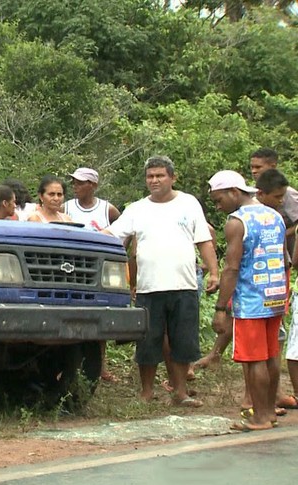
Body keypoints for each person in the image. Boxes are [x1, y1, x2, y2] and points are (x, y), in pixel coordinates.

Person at [104, 156, 218, 406]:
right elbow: (111, 234)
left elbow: (204, 241)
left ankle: (180, 393)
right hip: (149, 287)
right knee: (148, 342)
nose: (154, 180)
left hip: (184, 286)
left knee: (183, 341)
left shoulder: (189, 203)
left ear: (172, 178)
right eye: (150, 176)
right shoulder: (137, 209)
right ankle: (146, 393)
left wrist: (214, 272)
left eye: (160, 175)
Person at [208, 169, 288, 431]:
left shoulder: (237, 222)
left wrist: (221, 308)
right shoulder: (274, 215)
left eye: (219, 200)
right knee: (271, 355)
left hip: (251, 301)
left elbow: (232, 268)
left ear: (234, 192)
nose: (218, 206)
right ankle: (270, 412)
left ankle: (260, 417)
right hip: (275, 297)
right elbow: (284, 258)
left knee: (254, 360)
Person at [64, 167, 122, 382]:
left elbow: (123, 232)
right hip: (72, 268)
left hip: (98, 270)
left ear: (93, 185)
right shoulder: (67, 207)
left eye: (81, 183)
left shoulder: (108, 210)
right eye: (74, 182)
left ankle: (101, 365)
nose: (76, 187)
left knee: (99, 316)